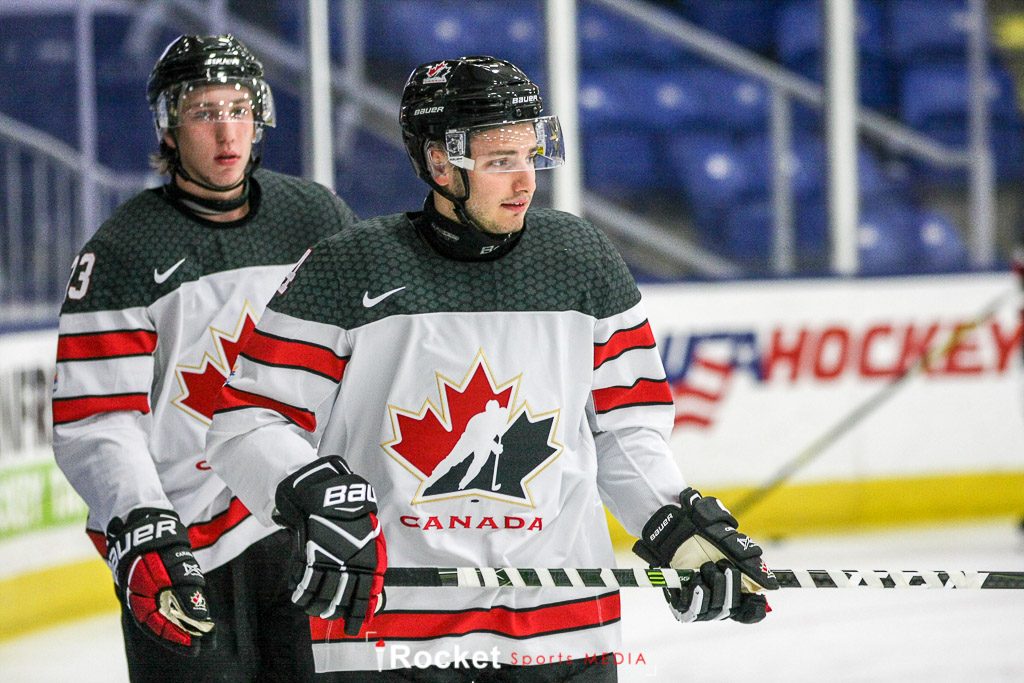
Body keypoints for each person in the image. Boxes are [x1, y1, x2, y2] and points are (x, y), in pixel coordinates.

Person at [204, 55, 777, 681]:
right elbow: (247, 422)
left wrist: (672, 522)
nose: (525, 180)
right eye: (501, 160)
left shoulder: (582, 261)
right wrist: (312, 496)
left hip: (562, 627)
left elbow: (625, 430)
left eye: (530, 155)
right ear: (439, 162)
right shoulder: (348, 269)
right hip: (393, 635)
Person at [52, 34, 358, 681]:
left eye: (239, 109)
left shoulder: (315, 218)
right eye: (203, 112)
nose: (226, 131)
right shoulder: (124, 251)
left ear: (260, 115)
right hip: (184, 546)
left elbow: (365, 362)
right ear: (169, 126)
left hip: (298, 520)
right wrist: (142, 519)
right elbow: (99, 419)